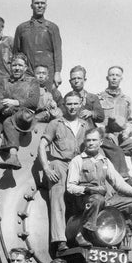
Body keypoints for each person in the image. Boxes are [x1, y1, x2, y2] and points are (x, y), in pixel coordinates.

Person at [66, 128, 132, 253]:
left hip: (105, 199)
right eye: (88, 140)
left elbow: (119, 183)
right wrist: (88, 189)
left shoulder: (105, 162)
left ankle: (126, 232)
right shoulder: (77, 161)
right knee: (97, 199)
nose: (91, 143)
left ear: (101, 142)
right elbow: (70, 187)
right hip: (84, 199)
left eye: (94, 140)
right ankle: (83, 233)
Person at [37, 93, 96, 251]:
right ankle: (60, 240)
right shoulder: (55, 123)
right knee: (58, 198)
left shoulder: (86, 126)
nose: (72, 107)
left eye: (75, 104)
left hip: (78, 166)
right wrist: (47, 168)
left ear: (80, 104)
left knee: (87, 198)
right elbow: (42, 145)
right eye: (69, 104)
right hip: (60, 164)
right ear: (64, 105)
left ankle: (80, 234)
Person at [97, 66, 132, 187]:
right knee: (112, 141)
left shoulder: (126, 100)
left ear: (121, 78)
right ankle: (124, 178)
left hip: (121, 137)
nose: (114, 78)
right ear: (107, 78)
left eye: (117, 75)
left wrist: (127, 131)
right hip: (106, 136)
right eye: (112, 75)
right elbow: (95, 121)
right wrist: (104, 132)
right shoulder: (99, 98)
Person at [0, 54, 39, 170]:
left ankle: (13, 155)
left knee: (7, 123)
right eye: (14, 65)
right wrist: (7, 108)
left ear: (25, 68)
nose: (17, 68)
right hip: (8, 114)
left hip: (24, 117)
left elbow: (33, 102)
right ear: (10, 67)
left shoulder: (32, 82)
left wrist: (15, 103)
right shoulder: (4, 82)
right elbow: (0, 102)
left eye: (20, 65)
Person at [13, 0, 62, 83]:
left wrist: (57, 73)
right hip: (27, 74)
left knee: (47, 96)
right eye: (37, 3)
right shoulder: (21, 28)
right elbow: (16, 54)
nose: (40, 6)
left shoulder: (52, 28)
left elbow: (57, 52)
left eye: (42, 3)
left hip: (46, 74)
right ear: (31, 6)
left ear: (46, 6)